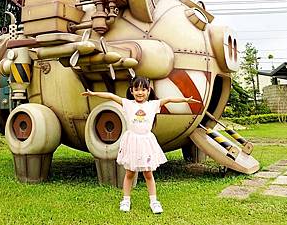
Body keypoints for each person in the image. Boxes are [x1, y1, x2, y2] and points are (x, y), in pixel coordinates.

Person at [82, 76, 200, 214]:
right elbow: (111, 96)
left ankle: (154, 202)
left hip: (146, 142)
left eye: (143, 89)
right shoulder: (128, 104)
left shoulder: (152, 105)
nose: (140, 92)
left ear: (148, 91)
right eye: (136, 89)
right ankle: (125, 200)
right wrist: (93, 94)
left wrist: (185, 100)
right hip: (132, 142)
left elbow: (168, 100)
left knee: (148, 174)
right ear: (131, 91)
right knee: (130, 173)